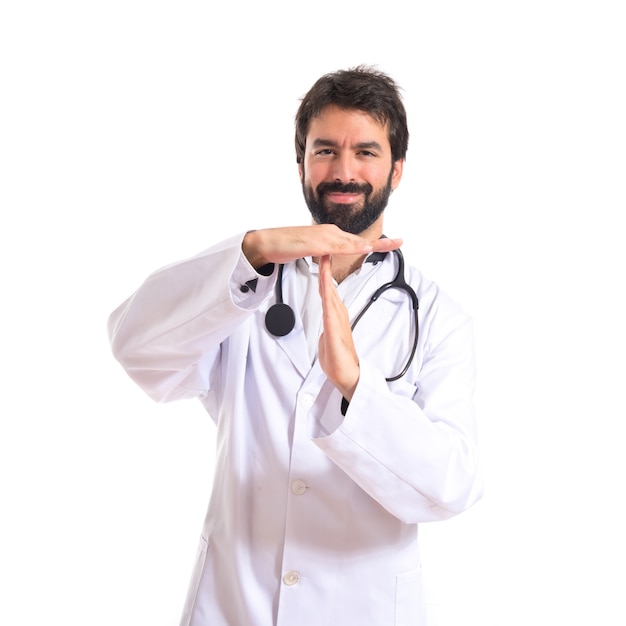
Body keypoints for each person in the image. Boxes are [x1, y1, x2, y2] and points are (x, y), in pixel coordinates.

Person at [108, 65, 483, 626]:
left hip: (364, 607)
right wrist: (254, 249)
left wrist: (357, 389)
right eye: (325, 150)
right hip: (238, 603)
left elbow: (451, 487)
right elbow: (136, 346)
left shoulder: (437, 318)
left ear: (397, 170)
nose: (344, 170)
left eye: (366, 152)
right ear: (303, 164)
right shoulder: (244, 283)